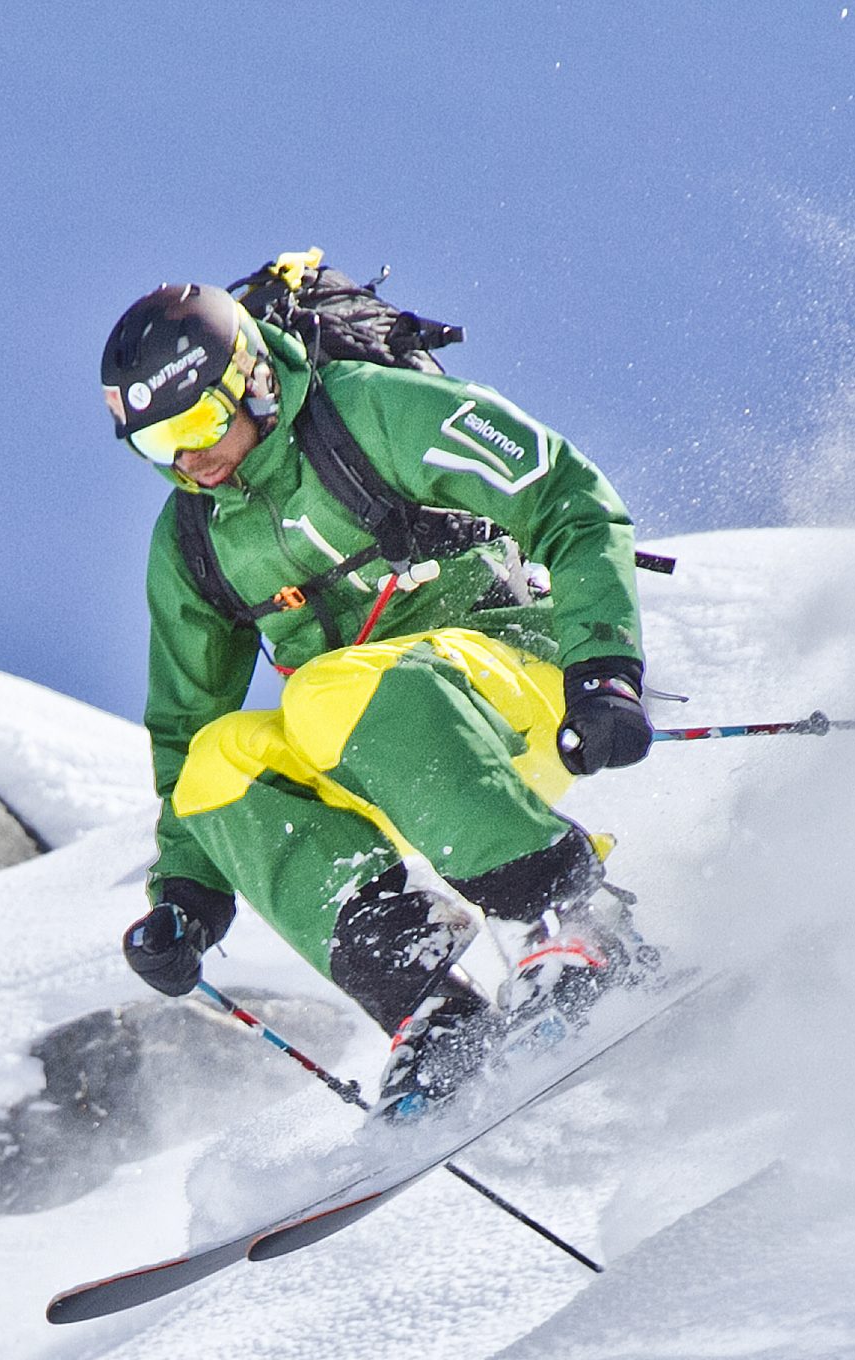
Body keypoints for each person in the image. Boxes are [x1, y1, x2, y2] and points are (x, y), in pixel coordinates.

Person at [99, 281, 655, 1118]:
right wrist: (185, 893)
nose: (188, 459)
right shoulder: (192, 539)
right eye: (158, 444)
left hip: (517, 679)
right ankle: (433, 1005)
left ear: (249, 378)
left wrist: (604, 664)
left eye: (197, 425)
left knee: (327, 690)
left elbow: (564, 491)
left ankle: (577, 919)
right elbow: (186, 725)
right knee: (215, 765)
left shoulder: (363, 414)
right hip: (381, 747)